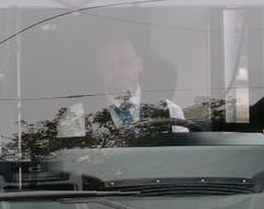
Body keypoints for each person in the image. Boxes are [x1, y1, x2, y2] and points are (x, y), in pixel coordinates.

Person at [57, 37, 186, 137]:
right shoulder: (76, 115)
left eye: (124, 63)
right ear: (98, 71)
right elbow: (71, 164)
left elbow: (183, 159)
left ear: (139, 64)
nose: (117, 72)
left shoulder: (169, 110)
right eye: (108, 66)